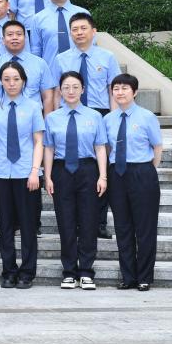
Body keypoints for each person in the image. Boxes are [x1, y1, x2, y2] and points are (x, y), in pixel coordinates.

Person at [57, 12, 121, 239]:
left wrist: (114, 118)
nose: (79, 33)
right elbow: (56, 91)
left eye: (83, 28)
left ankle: (99, 222)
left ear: (94, 31)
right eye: (74, 29)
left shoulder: (107, 57)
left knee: (100, 169)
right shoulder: (61, 59)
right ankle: (74, 223)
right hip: (70, 115)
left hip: (100, 113)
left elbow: (114, 89)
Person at [43, 71, 109, 291]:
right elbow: (49, 148)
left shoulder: (95, 116)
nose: (71, 91)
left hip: (88, 169)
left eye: (75, 87)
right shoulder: (52, 118)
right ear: (60, 91)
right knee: (66, 222)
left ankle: (86, 271)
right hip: (62, 171)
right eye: (66, 87)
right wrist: (48, 176)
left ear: (83, 89)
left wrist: (102, 176)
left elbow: (100, 147)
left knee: (89, 220)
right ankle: (69, 271)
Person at [0, 61, 45, 289]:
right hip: (0, 172)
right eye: (7, 79)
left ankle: (27, 272)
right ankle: (9, 271)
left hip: (25, 173)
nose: (11, 83)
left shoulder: (33, 107)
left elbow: (38, 141)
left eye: (16, 79)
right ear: (0, 82)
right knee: (5, 226)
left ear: (24, 81)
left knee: (28, 226)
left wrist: (35, 171)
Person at [104, 73, 163, 291]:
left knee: (145, 228)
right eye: (116, 88)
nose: (120, 92)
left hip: (142, 172)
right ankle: (128, 276)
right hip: (117, 174)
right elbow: (107, 149)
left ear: (135, 92)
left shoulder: (147, 117)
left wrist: (147, 170)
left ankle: (144, 277)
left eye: (125, 88)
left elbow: (157, 147)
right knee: (122, 227)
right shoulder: (108, 119)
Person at [0, 21, 58, 112]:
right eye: (10, 34)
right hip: (1, 116)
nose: (15, 38)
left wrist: (46, 119)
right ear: (3, 40)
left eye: (19, 34)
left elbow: (47, 96)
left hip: (33, 117)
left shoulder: (40, 63)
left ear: (25, 38)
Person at [28, 0, 90, 71]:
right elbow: (36, 50)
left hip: (80, 71)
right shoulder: (38, 18)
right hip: (51, 72)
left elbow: (92, 44)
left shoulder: (83, 13)